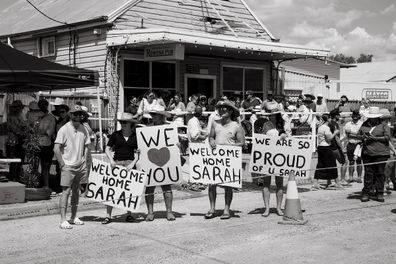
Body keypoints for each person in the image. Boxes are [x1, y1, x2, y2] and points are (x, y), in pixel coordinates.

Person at [206, 100, 245, 220]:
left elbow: (242, 143)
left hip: (229, 159)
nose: (222, 110)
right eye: (221, 108)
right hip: (215, 158)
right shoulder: (215, 123)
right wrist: (212, 141)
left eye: (226, 108)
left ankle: (226, 209)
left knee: (228, 185)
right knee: (212, 184)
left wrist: (229, 148)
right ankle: (212, 208)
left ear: (231, 111)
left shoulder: (236, 126)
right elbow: (211, 137)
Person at [54, 105, 91, 229]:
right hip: (68, 166)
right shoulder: (64, 129)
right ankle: (63, 219)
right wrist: (62, 164)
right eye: (74, 114)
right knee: (66, 192)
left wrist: (84, 160)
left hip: (79, 165)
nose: (77, 116)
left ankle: (74, 216)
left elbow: (86, 146)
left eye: (79, 114)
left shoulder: (83, 129)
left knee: (76, 191)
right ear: (70, 115)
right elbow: (56, 149)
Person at [102, 112, 140, 224]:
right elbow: (107, 148)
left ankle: (129, 214)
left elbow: (138, 152)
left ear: (130, 124)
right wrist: (111, 160)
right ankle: (108, 215)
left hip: (129, 164)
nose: (123, 124)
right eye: (122, 122)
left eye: (125, 123)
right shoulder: (115, 135)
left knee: (129, 190)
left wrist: (133, 163)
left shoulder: (135, 136)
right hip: (117, 163)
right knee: (111, 190)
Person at [143, 104, 176, 221]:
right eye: (152, 114)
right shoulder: (147, 128)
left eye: (155, 115)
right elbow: (143, 144)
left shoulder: (169, 128)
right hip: (151, 159)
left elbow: (176, 145)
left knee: (167, 186)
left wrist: (176, 145)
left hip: (166, 159)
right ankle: (150, 212)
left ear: (161, 116)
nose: (153, 117)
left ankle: (169, 212)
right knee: (149, 187)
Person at [258, 109, 288, 217]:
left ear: (276, 115)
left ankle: (279, 207)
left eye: (272, 115)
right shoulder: (266, 125)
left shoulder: (284, 123)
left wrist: (286, 136)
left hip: (280, 156)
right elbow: (261, 139)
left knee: (279, 184)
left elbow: (291, 140)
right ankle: (267, 208)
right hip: (268, 156)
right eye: (269, 115)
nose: (270, 117)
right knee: (266, 184)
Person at [358, 107, 390, 202]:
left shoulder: (384, 125)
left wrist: (375, 138)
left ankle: (379, 192)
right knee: (368, 173)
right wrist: (362, 137)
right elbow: (359, 135)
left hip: (381, 153)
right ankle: (366, 193)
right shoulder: (364, 124)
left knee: (380, 173)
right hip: (367, 152)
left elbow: (387, 138)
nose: (372, 118)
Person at [312, 113, 339, 190]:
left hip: (320, 147)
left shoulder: (320, 127)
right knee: (332, 164)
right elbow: (329, 138)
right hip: (326, 147)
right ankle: (336, 182)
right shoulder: (326, 128)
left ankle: (316, 183)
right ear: (328, 119)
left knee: (320, 164)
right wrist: (335, 133)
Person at [6, 100, 28, 182]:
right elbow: (16, 130)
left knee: (19, 160)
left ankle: (16, 176)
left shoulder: (20, 116)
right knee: (15, 160)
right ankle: (13, 177)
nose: (21, 110)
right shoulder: (12, 117)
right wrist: (24, 131)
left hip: (18, 141)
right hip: (14, 141)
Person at [37, 99, 56, 189]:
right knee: (35, 164)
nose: (42, 106)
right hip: (36, 143)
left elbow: (49, 132)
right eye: (41, 105)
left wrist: (39, 131)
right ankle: (36, 183)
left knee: (45, 165)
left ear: (46, 106)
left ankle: (46, 185)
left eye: (44, 105)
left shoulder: (50, 118)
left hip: (46, 144)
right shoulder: (36, 116)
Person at [344, 110, 364, 183]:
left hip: (359, 145)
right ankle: (351, 177)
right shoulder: (348, 124)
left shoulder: (362, 124)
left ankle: (359, 177)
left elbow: (362, 136)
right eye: (354, 115)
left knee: (359, 161)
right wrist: (357, 135)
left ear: (358, 116)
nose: (355, 117)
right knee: (351, 162)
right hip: (351, 144)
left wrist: (353, 135)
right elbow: (347, 135)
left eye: (356, 115)